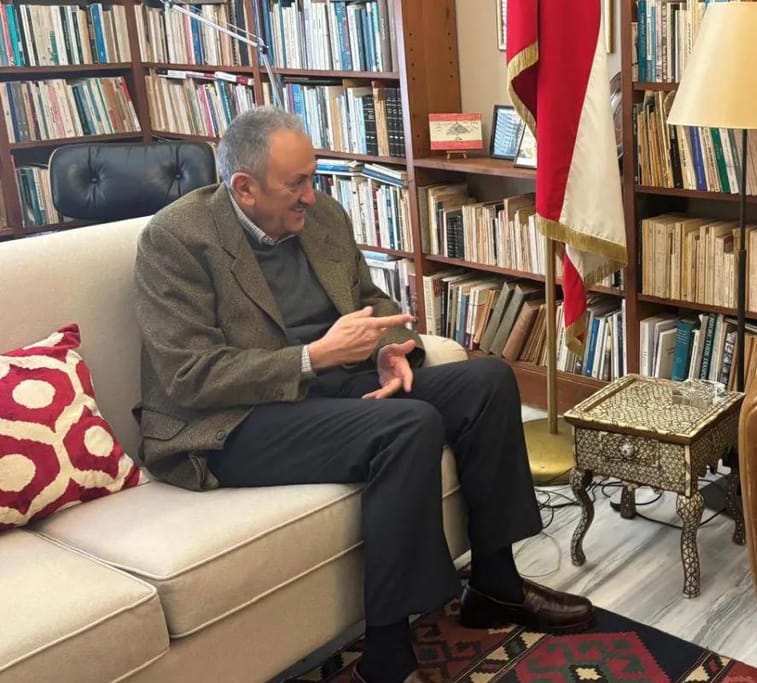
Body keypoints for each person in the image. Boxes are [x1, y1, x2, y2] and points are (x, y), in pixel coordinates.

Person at [134, 106, 593, 683]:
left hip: (332, 385)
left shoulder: (322, 214)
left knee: (487, 381)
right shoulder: (176, 240)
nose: (311, 195)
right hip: (234, 422)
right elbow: (189, 375)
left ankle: (494, 586)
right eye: (296, 183)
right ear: (244, 188)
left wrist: (389, 347)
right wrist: (313, 356)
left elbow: (369, 299)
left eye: (312, 177)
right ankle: (387, 657)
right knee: (409, 426)